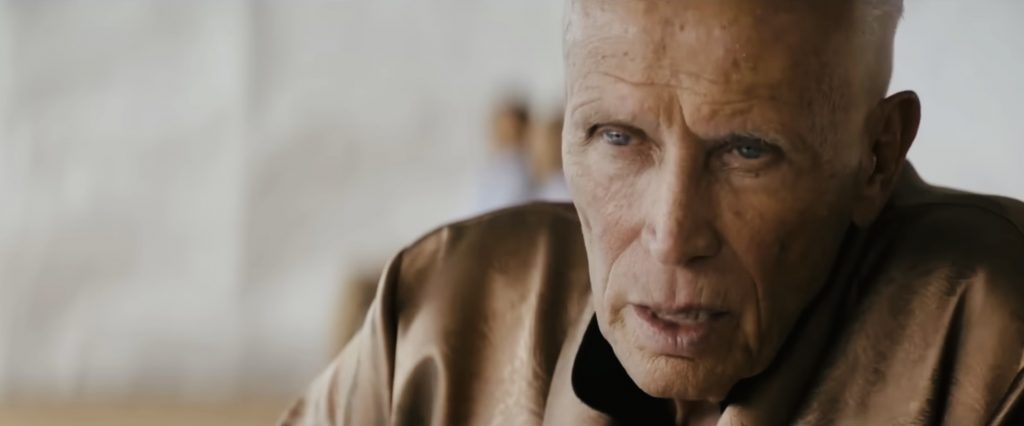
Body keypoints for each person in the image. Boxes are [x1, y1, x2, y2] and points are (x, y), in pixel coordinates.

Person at [281, 0, 1024, 424]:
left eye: (746, 151)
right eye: (618, 137)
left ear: (877, 156)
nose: (671, 236)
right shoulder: (441, 313)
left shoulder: (997, 350)